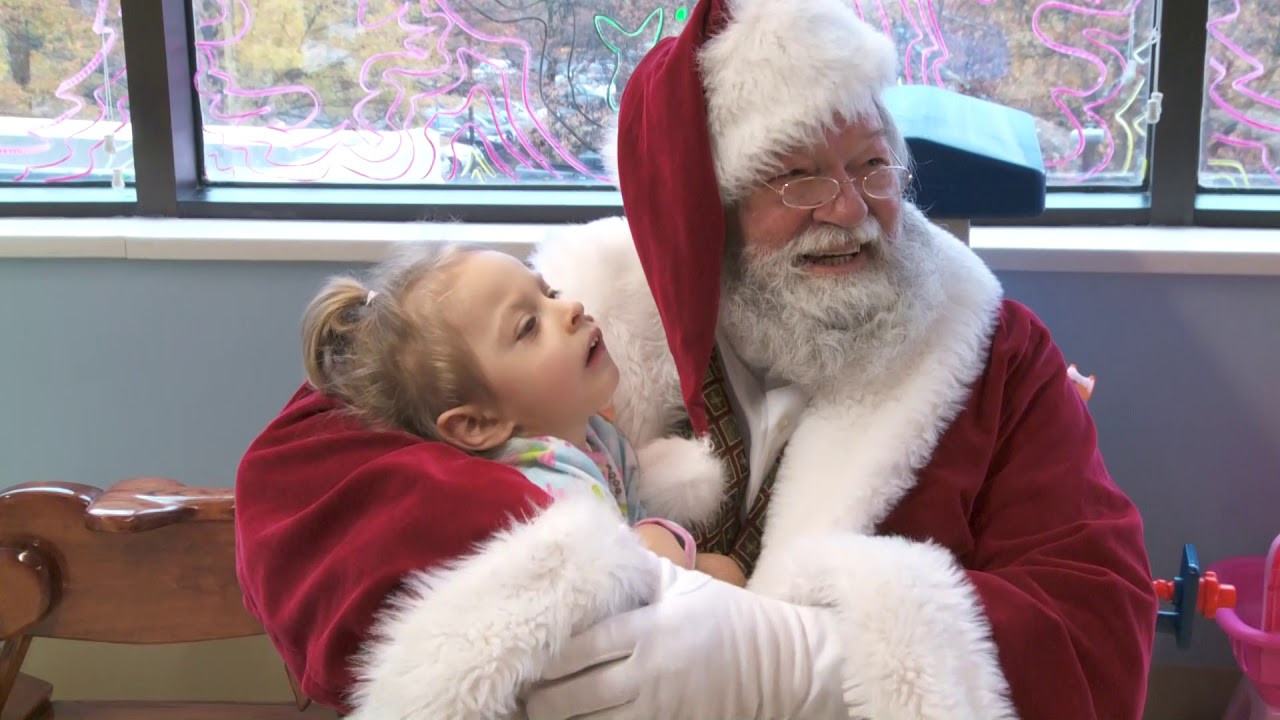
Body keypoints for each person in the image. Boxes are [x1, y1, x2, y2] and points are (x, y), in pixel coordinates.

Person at [236, 0, 1159, 718]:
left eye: (873, 165)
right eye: (794, 177)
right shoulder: (591, 303)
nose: (848, 208)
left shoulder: (995, 352)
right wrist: (556, 586)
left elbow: (1098, 630)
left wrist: (807, 668)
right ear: (705, 210)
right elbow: (308, 485)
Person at [294, 243, 740, 585]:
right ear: (480, 423)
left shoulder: (595, 434)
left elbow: (634, 516)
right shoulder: (535, 488)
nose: (570, 309)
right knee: (727, 574)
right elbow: (601, 578)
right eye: (529, 326)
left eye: (549, 293)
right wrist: (663, 543)